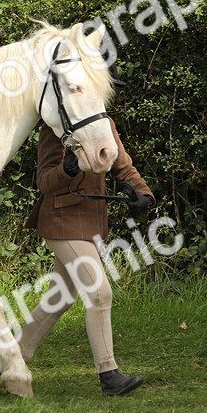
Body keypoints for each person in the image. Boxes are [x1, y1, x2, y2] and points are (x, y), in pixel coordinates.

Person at [17, 119, 156, 396]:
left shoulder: (104, 124)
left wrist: (142, 192)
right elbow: (44, 181)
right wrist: (66, 170)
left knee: (62, 297)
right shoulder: (54, 129)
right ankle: (109, 374)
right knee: (99, 293)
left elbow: (123, 166)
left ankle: (12, 355)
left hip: (90, 221)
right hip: (60, 220)